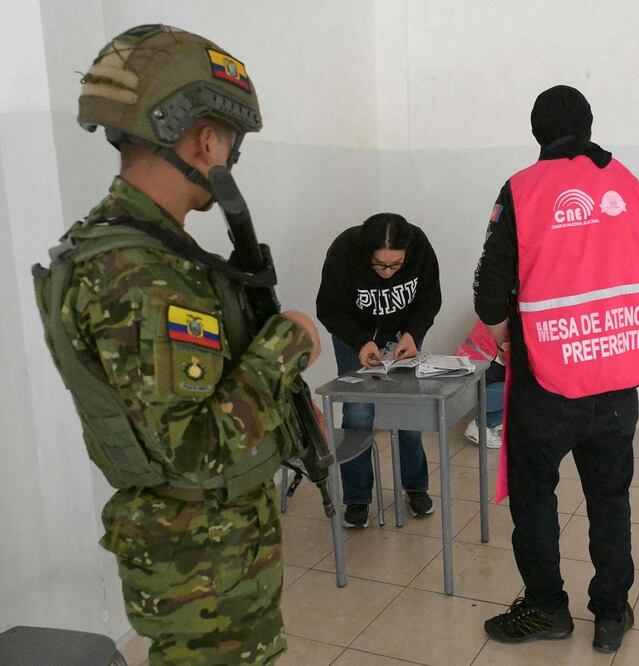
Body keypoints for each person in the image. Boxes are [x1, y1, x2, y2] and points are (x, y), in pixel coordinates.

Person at [32, 25, 320, 664]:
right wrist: (290, 344)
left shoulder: (141, 251)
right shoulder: (142, 276)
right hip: (203, 565)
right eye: (232, 142)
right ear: (206, 138)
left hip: (209, 550)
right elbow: (195, 449)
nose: (230, 157)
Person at [475, 85, 639, 653]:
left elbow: (488, 292)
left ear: (537, 131)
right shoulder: (631, 185)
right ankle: (611, 614)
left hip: (545, 383)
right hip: (617, 379)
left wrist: (510, 342)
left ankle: (547, 609)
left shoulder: (521, 189)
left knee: (535, 498)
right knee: (610, 499)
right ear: (589, 125)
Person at [316, 213, 442, 528]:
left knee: (408, 411)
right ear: (366, 253)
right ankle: (357, 498)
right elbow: (328, 309)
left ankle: (416, 487)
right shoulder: (344, 250)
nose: (387, 272)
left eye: (395, 265)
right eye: (379, 265)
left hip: (403, 335)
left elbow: (430, 298)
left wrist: (413, 333)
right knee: (358, 413)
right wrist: (360, 342)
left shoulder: (419, 245)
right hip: (354, 337)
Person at [455, 320, 506, 448]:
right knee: (530, 388)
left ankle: (495, 419)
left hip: (458, 387)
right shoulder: (515, 325)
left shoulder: (495, 315)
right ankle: (483, 426)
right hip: (467, 397)